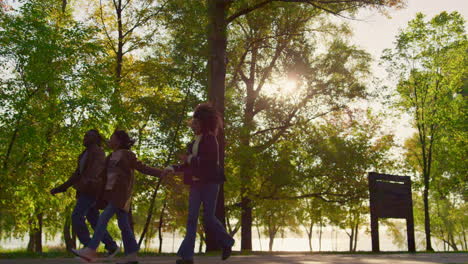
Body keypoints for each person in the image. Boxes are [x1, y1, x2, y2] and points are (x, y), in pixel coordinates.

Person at [72, 130, 166, 264]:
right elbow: (103, 177)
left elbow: (141, 167)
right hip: (110, 194)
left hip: (121, 194)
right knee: (124, 224)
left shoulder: (127, 155)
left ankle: (91, 250)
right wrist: (94, 188)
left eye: (112, 138)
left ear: (119, 141)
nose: (109, 140)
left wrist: (159, 173)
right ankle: (132, 254)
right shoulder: (110, 156)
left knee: (103, 219)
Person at [165, 103, 235, 264]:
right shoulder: (194, 142)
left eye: (196, 123)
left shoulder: (211, 139)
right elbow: (188, 164)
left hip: (210, 183)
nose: (192, 126)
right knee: (191, 219)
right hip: (196, 184)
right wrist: (172, 168)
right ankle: (187, 257)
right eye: (192, 123)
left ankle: (227, 242)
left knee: (209, 218)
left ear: (204, 123)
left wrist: (190, 159)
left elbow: (209, 163)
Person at [50, 129, 120, 257]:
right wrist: (61, 187)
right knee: (94, 220)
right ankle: (111, 246)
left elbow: (97, 171)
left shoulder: (98, 152)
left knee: (77, 216)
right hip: (86, 189)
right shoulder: (85, 154)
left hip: (91, 190)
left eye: (88, 136)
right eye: (84, 135)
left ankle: (89, 247)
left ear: (94, 138)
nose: (85, 137)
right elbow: (77, 174)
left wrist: (89, 183)